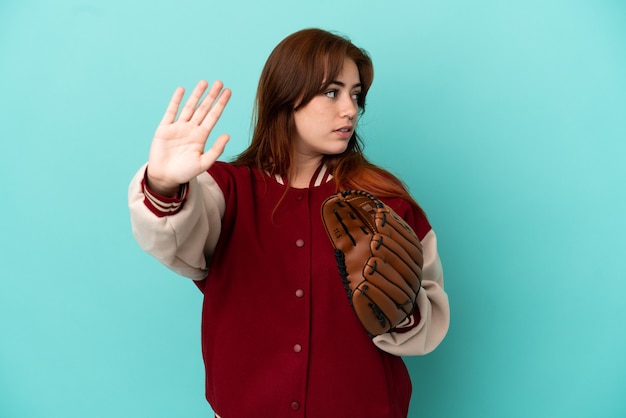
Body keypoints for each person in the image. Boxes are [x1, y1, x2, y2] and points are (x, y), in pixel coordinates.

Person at [128, 28, 450, 418]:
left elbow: (427, 321)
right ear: (287, 94)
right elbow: (173, 241)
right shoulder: (225, 191)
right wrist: (163, 184)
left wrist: (398, 308)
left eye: (356, 95)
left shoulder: (385, 198)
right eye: (332, 92)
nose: (349, 109)